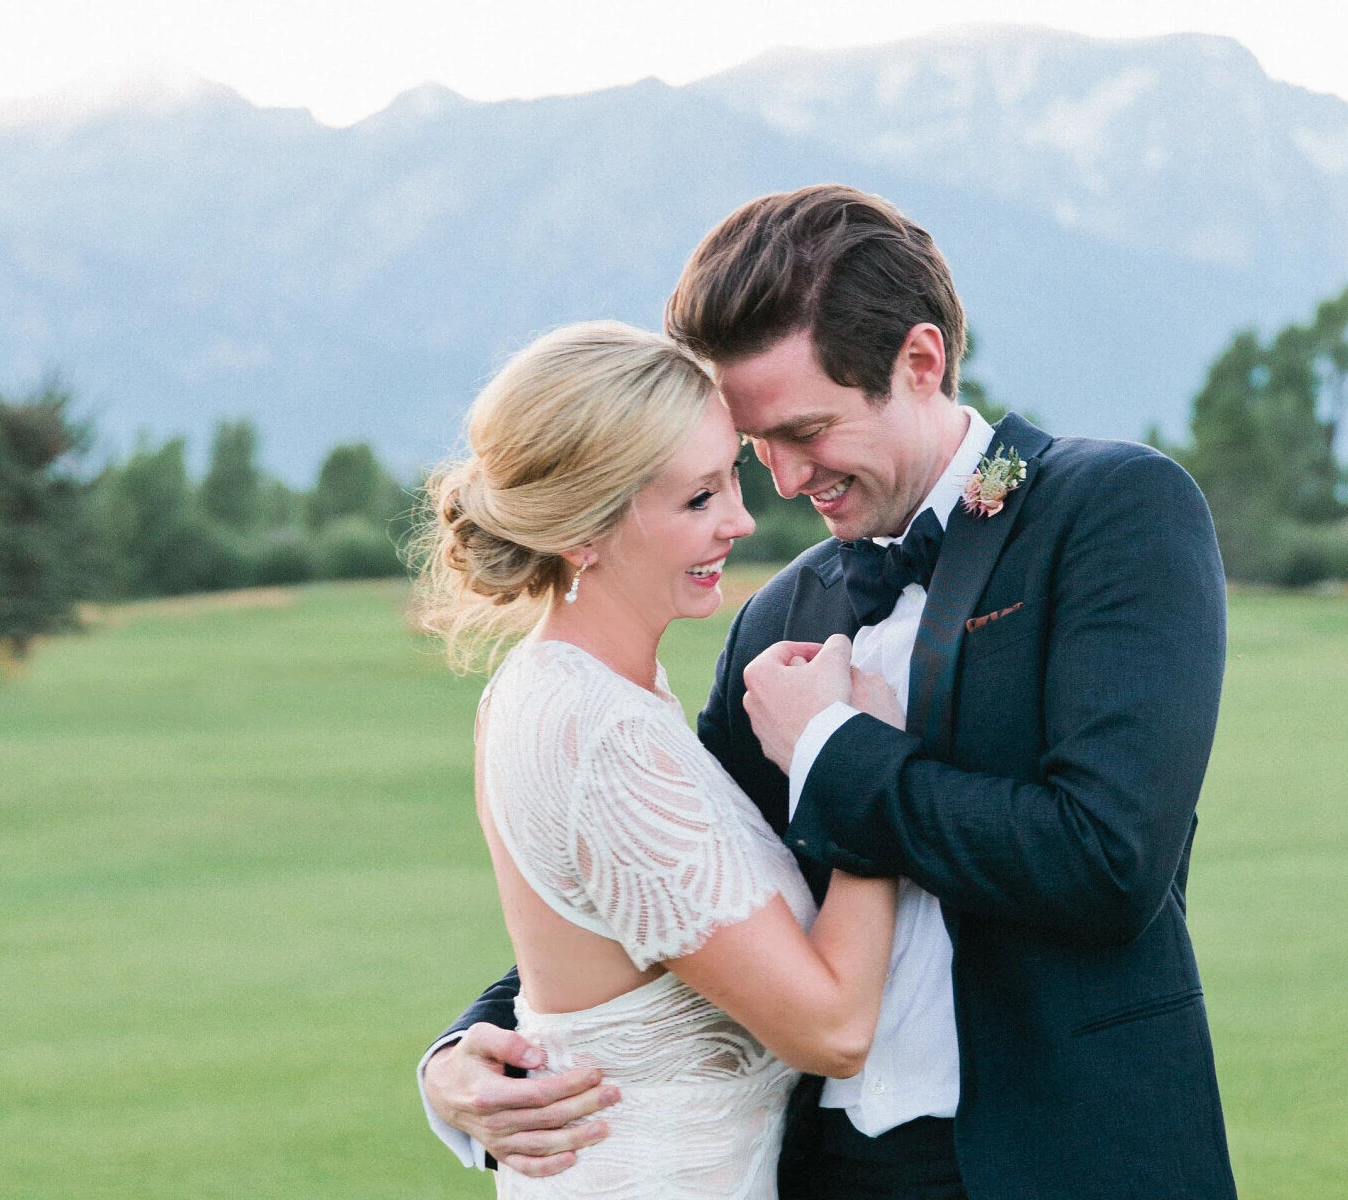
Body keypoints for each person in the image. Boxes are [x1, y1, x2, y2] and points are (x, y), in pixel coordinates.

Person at [422, 185, 1237, 1199]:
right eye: (752, 441)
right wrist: (472, 1044)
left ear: (920, 362)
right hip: (821, 1173)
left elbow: (1107, 862)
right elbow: (685, 877)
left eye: (804, 430)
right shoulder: (779, 614)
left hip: (1068, 1153)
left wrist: (841, 754)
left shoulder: (1108, 509)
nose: (778, 477)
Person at [413, 320, 907, 1198]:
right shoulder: (599, 735)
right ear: (582, 533)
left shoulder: (568, 688)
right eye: (697, 500)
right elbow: (831, 1027)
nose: (742, 520)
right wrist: (856, 758)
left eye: (733, 479)